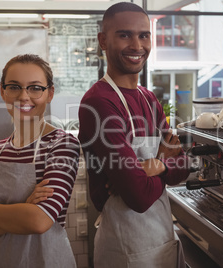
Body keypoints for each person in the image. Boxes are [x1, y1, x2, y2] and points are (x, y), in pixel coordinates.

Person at [78, 2, 190, 267]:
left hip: (161, 239)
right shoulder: (100, 102)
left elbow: (183, 166)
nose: (137, 45)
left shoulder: (149, 98)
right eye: (124, 35)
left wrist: (155, 166)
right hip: (125, 249)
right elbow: (138, 197)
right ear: (103, 41)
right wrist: (159, 166)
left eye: (144, 35)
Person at [0, 54, 80, 267]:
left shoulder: (62, 145)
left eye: (35, 88)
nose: (24, 97)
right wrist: (23, 207)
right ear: (3, 91)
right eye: (14, 87)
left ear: (50, 93)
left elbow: (38, 221)